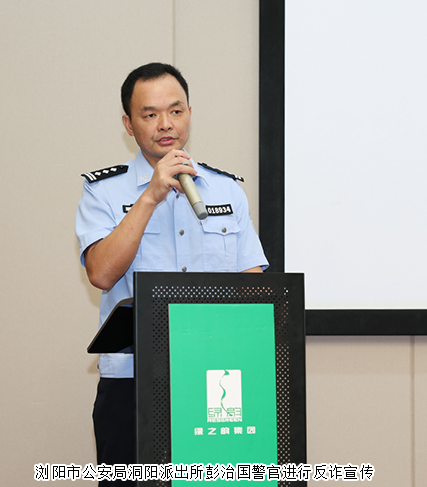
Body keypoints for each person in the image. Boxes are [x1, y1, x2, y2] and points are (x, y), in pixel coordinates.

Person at [75, 62, 268, 476]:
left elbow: (253, 286)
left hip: (214, 376)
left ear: (189, 114)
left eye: (176, 111)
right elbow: (101, 274)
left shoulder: (226, 189)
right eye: (150, 114)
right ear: (129, 124)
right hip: (133, 382)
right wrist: (150, 196)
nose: (166, 124)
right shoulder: (103, 192)